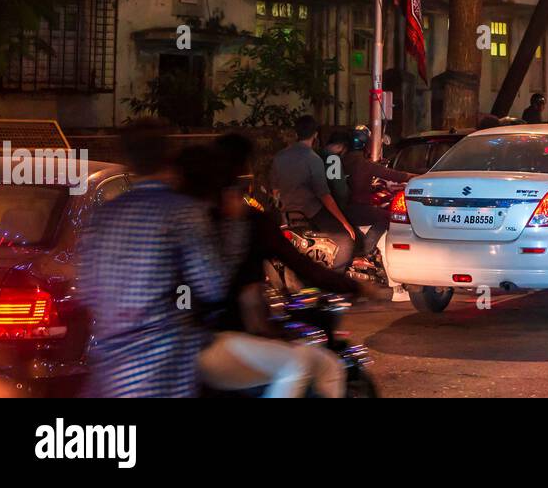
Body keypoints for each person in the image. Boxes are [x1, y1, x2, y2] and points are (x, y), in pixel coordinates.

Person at [78, 124, 241, 397]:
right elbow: (212, 286)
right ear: (169, 157)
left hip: (110, 367)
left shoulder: (104, 215)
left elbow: (88, 292)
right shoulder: (182, 211)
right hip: (162, 364)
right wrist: (235, 227)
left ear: (128, 162)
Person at [197, 135, 361, 398]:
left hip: (197, 340)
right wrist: (356, 286)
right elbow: (302, 266)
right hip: (220, 341)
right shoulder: (245, 222)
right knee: (316, 365)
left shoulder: (196, 218)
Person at [270, 115, 356, 254]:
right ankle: (334, 274)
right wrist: (344, 222)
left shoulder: (279, 156)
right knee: (345, 240)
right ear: (315, 134)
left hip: (286, 213)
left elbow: (275, 191)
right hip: (311, 212)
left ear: (296, 133)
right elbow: (324, 195)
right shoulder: (313, 159)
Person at [339, 128, 414, 262]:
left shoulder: (341, 161)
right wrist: (422, 177)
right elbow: (398, 176)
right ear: (367, 145)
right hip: (358, 208)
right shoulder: (365, 165)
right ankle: (364, 250)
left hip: (341, 207)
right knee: (389, 217)